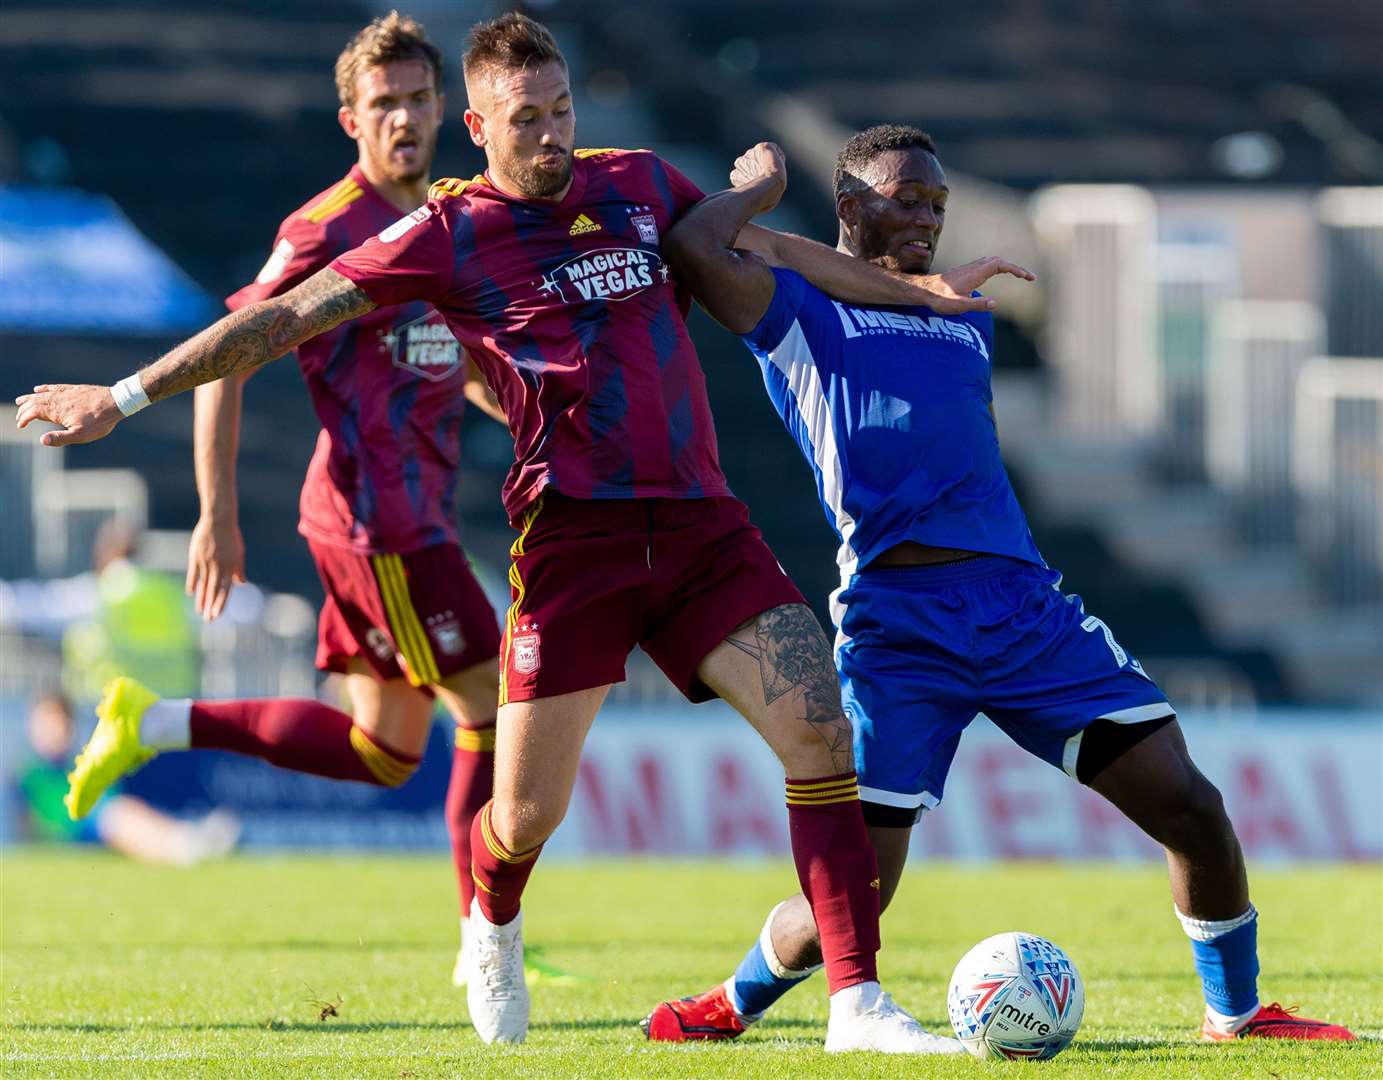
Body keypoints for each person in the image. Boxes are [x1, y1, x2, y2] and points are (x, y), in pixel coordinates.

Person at [16, 15, 1027, 1052]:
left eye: (563, 112)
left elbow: (772, 247)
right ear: (483, 128)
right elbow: (277, 323)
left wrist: (914, 289)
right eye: (528, 121)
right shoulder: (446, 235)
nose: (552, 138)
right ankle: (490, 920)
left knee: (820, 733)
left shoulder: (635, 182)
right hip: (572, 548)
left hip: (697, 528)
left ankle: (854, 1003)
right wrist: (124, 397)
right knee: (524, 815)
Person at [639, 127, 1355, 1045]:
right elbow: (699, 245)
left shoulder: (961, 312)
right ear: (850, 205)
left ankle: (1238, 1014)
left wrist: (907, 279)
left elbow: (908, 327)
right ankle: (728, 1004)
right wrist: (766, 190)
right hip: (899, 630)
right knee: (855, 900)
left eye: (937, 204)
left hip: (1024, 611)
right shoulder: (796, 314)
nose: (927, 218)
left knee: (1191, 805)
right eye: (905, 197)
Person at [73, 12, 510, 986]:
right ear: (349, 117)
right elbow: (230, 360)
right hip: (376, 520)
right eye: (383, 103)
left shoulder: (456, 214)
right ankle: (489, 939)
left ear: (445, 106)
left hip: (414, 510)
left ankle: (154, 721)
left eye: (417, 99)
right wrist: (215, 512)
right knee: (490, 702)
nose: (403, 117)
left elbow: (457, 355)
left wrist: (519, 410)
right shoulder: (322, 229)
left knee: (387, 750)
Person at [18, 692, 239, 865]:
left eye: (59, 725)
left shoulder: (82, 765)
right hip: (72, 837)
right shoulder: (27, 776)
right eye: (47, 724)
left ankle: (185, 839)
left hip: (100, 830)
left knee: (119, 812)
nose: (53, 732)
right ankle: (184, 845)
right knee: (115, 815)